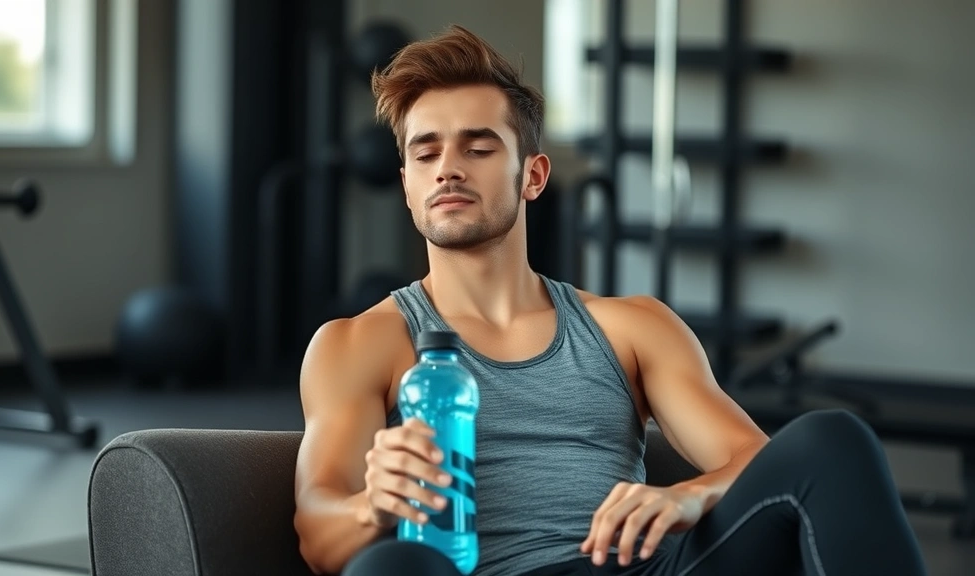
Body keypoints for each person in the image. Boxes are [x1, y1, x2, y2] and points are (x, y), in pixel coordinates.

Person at [293, 24, 927, 576]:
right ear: (405, 184)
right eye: (425, 153)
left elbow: (755, 464)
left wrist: (688, 498)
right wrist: (371, 505)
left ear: (532, 176)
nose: (448, 169)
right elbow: (317, 533)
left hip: (637, 570)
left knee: (832, 440)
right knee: (388, 563)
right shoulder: (361, 343)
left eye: (479, 148)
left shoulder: (630, 328)